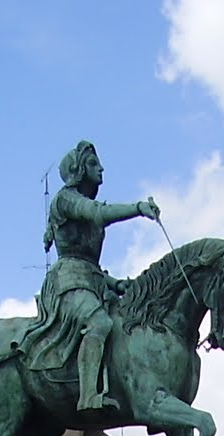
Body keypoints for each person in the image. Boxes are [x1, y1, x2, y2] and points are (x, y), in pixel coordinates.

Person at [23, 140, 160, 411]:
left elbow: (91, 266)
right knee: (99, 323)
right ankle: (88, 396)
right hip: (68, 283)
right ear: (78, 170)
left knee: (125, 325)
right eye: (93, 164)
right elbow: (99, 214)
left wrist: (116, 284)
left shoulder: (82, 204)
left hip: (91, 281)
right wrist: (138, 208)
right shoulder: (66, 199)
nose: (101, 169)